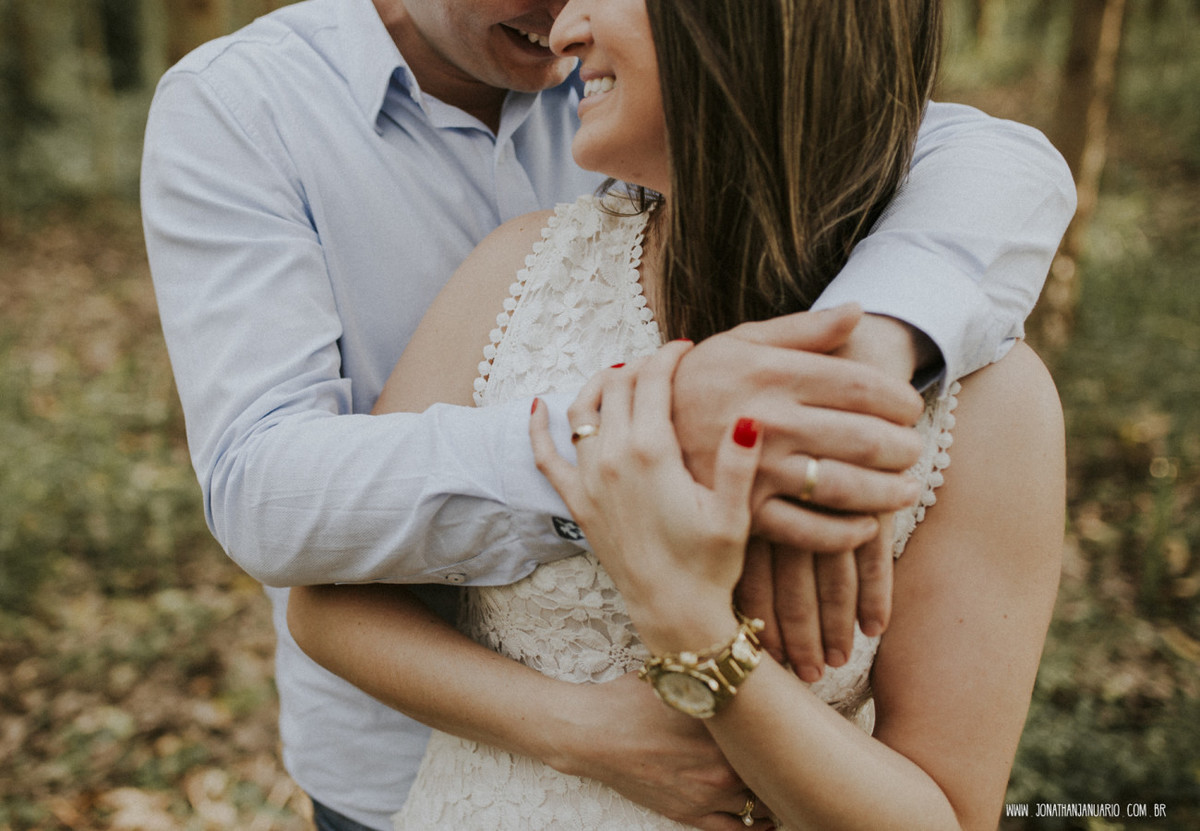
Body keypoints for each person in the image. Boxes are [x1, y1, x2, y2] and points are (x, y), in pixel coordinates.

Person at [140, 0, 1074, 828]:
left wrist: (860, 363)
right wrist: (636, 441)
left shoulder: (960, 380)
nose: (564, 23)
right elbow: (263, 494)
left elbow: (988, 154)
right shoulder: (245, 107)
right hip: (406, 771)